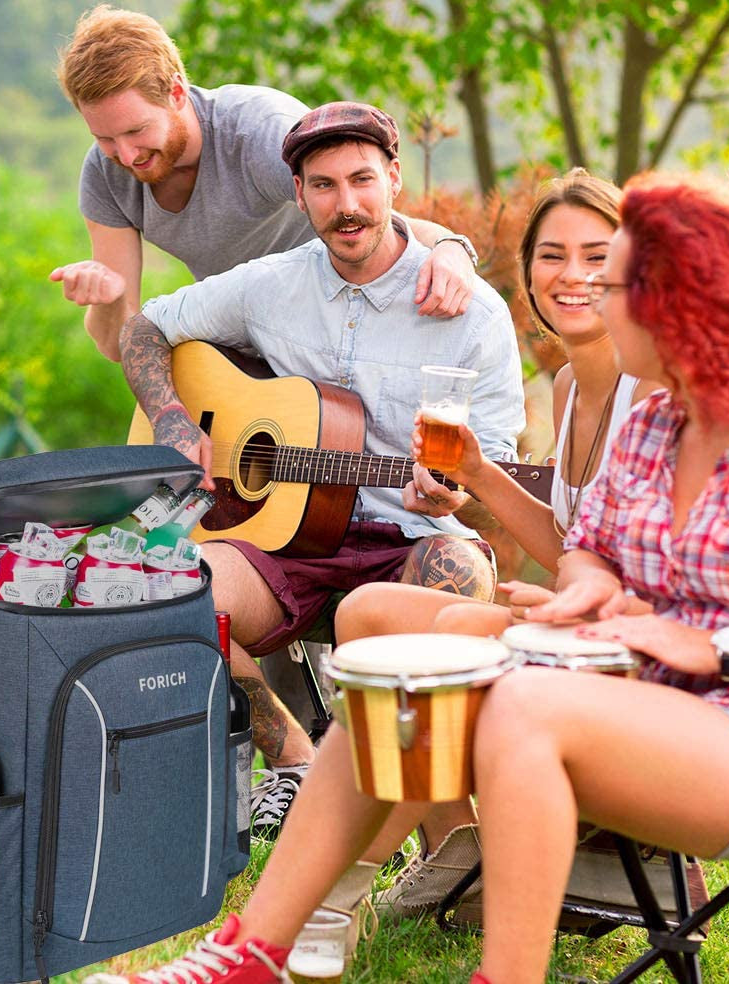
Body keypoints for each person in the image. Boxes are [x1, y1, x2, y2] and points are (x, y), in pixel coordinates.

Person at [87, 173, 729, 984]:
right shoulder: (655, 421)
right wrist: (588, 587)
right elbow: (587, 545)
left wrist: (712, 646)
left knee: (520, 703)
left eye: (614, 279)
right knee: (400, 666)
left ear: (683, 300)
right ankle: (251, 954)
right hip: (644, 686)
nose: (593, 294)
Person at [120, 101, 526, 838]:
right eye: (324, 185)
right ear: (299, 195)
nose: (347, 205)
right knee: (165, 586)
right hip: (289, 539)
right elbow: (144, 326)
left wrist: (453, 493)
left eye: (362, 180)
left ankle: (443, 838)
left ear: (395, 179)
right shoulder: (271, 284)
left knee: (459, 579)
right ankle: (295, 760)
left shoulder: (472, 314)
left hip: (410, 535)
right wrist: (175, 419)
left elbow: (495, 482)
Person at [315, 169, 666, 917]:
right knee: (368, 612)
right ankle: (455, 849)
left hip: (633, 646)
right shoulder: (570, 386)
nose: (572, 276)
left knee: (439, 640)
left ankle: (334, 890)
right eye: (551, 255)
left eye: (597, 257)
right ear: (530, 272)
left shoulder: (659, 389)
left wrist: (570, 601)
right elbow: (572, 536)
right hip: (580, 622)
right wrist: (475, 470)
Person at [49, 5, 482, 362]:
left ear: (177, 94)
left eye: (137, 130)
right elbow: (118, 346)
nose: (125, 155)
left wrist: (450, 247)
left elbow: (369, 214)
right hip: (242, 356)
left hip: (343, 337)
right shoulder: (106, 174)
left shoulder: (261, 134)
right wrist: (109, 298)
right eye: (104, 138)